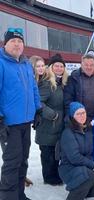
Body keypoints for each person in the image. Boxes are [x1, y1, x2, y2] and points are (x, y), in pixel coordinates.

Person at [0, 28, 41, 200]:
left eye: (20, 41)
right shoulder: (1, 63)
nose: (17, 44)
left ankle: (19, 194)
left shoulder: (25, 64)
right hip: (9, 124)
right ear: (5, 43)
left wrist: (37, 110)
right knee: (12, 163)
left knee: (23, 161)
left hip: (25, 123)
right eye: (13, 41)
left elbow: (33, 89)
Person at [58, 102, 94, 200]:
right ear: (72, 116)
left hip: (85, 167)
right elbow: (74, 158)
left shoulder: (88, 130)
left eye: (83, 113)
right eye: (78, 114)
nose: (82, 116)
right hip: (69, 168)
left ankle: (80, 191)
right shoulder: (68, 133)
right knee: (87, 176)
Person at [34, 53, 68, 185]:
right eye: (56, 66)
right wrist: (52, 115)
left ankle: (55, 175)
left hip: (58, 125)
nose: (59, 68)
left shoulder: (63, 83)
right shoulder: (47, 83)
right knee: (47, 153)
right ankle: (49, 179)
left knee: (55, 152)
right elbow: (38, 102)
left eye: (61, 66)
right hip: (47, 125)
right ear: (51, 67)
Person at [64, 53, 94, 125]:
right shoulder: (73, 78)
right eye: (86, 65)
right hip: (78, 119)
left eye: (91, 65)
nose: (89, 67)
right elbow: (68, 100)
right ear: (81, 65)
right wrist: (72, 118)